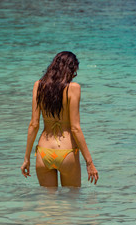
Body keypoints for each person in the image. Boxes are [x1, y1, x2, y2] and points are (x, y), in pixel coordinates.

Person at [21, 51, 98, 187]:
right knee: (71, 202)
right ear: (70, 70)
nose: (74, 75)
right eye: (74, 71)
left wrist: (26, 158)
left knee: (48, 205)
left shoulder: (38, 85)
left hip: (44, 152)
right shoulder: (73, 88)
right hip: (66, 152)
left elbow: (34, 124)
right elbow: (75, 128)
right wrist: (89, 162)